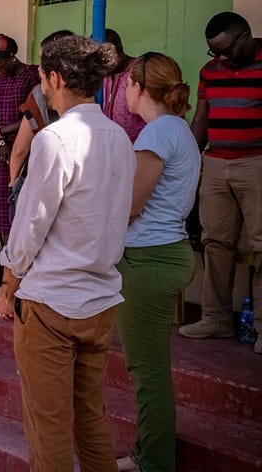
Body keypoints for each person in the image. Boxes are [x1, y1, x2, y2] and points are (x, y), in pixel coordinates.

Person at [0, 36, 134, 472]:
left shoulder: (55, 139)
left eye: (44, 80)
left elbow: (30, 226)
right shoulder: (120, 138)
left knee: (49, 425)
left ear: (55, 78)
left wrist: (7, 286)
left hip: (51, 302)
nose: (43, 88)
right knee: (91, 417)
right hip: (99, 299)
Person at [116, 53, 200, 472]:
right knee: (149, 369)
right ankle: (151, 452)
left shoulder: (158, 134)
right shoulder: (174, 129)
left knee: (147, 373)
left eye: (126, 84)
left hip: (149, 258)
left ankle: (153, 461)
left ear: (138, 87)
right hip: (164, 252)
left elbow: (130, 205)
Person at [179, 11, 262, 354]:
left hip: (256, 162)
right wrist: (189, 162)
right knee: (215, 243)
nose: (221, 59)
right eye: (215, 53)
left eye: (226, 50)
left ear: (245, 35)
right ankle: (216, 319)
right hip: (215, 163)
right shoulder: (209, 71)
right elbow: (201, 118)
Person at [8, 30, 74, 211]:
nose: (38, 68)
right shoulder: (96, 98)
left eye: (42, 61)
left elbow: (20, 150)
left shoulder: (39, 95)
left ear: (54, 75)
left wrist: (13, 184)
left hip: (43, 189)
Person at [0, 33, 40, 240]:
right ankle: (9, 261)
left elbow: (34, 113)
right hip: (4, 154)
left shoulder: (32, 75)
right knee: (5, 210)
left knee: (25, 206)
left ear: (12, 57)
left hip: (29, 151)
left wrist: (1, 131)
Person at [103, 29, 147, 143]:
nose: (102, 64)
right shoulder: (99, 75)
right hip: (108, 148)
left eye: (107, 58)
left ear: (120, 50)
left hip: (139, 149)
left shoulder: (141, 71)